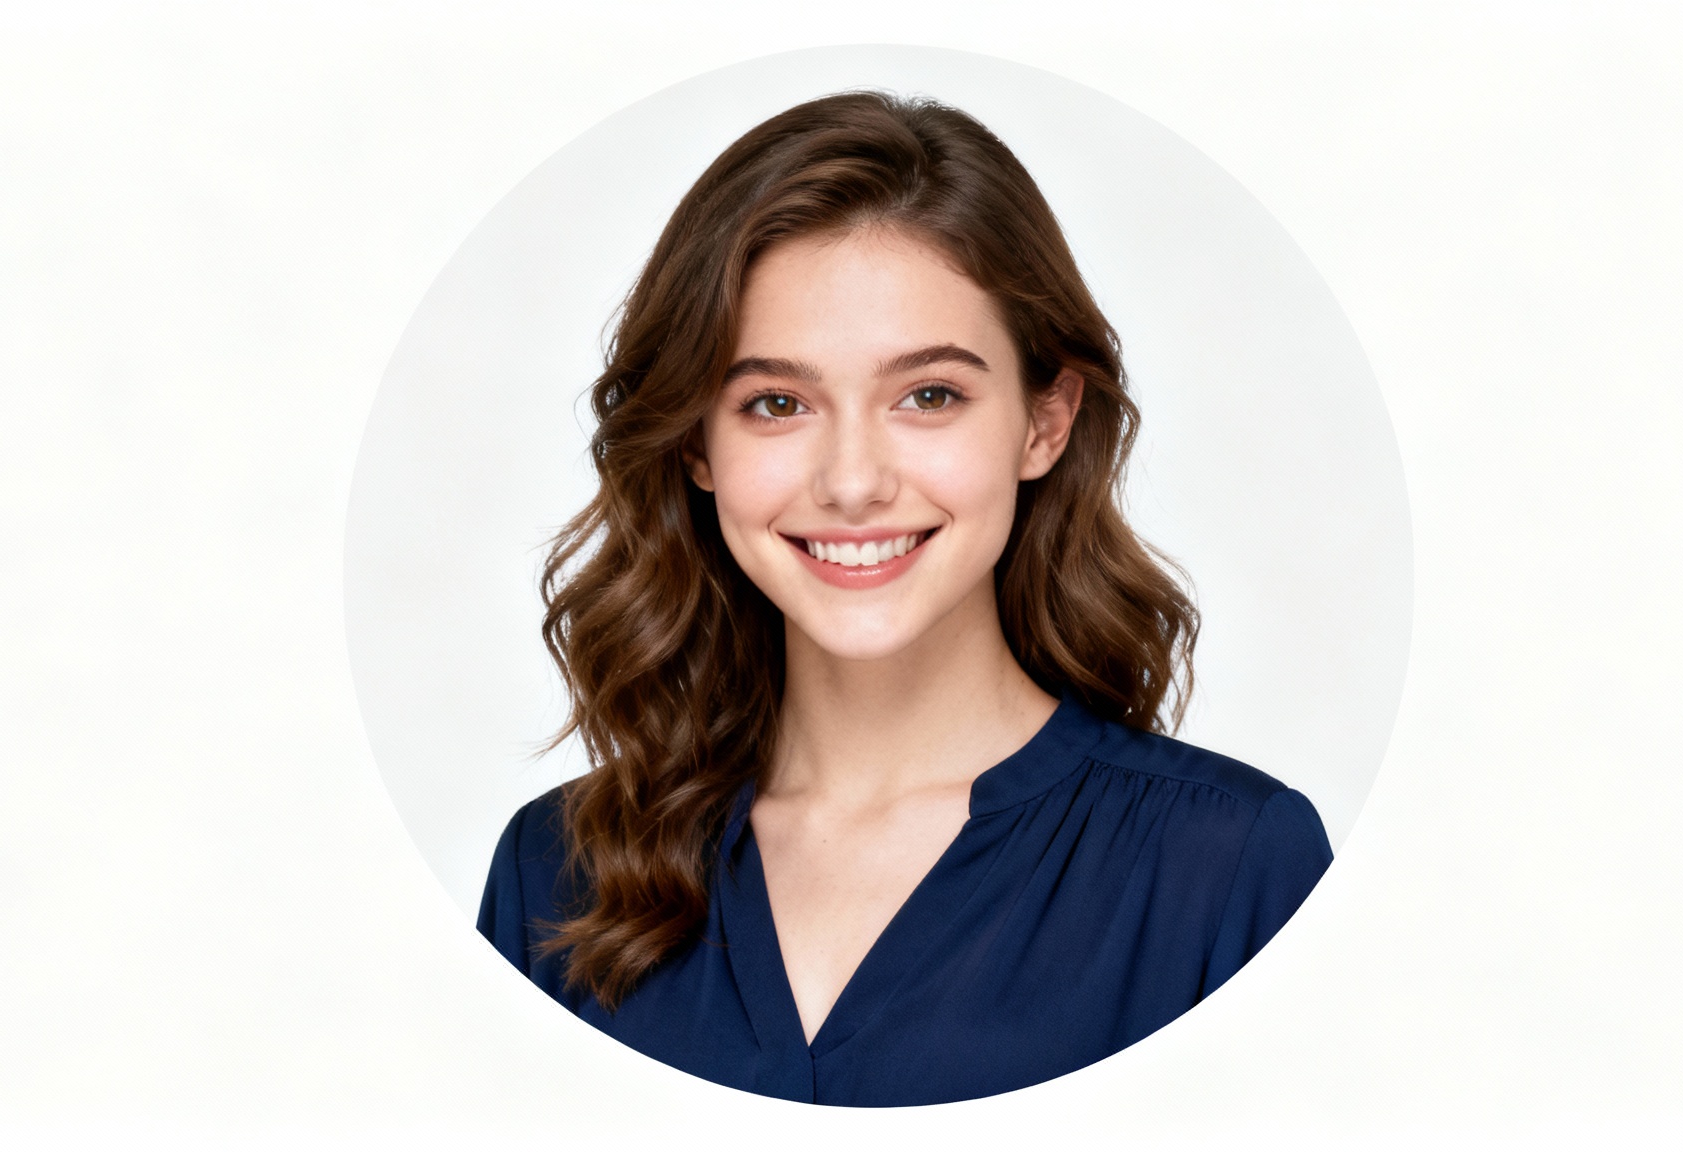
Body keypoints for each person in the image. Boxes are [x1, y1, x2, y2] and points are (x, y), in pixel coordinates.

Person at [478, 90, 1332, 1107]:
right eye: (775, 403)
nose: (851, 480)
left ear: (1042, 423)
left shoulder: (1230, 867)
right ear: (698, 443)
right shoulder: (553, 872)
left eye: (928, 395)